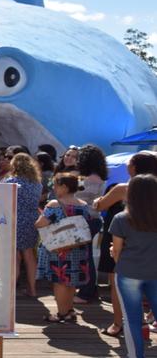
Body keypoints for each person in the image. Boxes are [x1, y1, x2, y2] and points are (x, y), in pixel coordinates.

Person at [93, 152, 157, 337]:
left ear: (134, 167)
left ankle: (119, 323)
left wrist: (97, 201)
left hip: (124, 238)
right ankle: (147, 318)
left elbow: (101, 206)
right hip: (151, 242)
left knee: (118, 282)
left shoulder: (124, 188)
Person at [35, 173, 94, 322]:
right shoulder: (83, 204)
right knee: (72, 281)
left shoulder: (55, 204)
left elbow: (41, 224)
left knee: (60, 281)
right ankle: (69, 310)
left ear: (64, 187)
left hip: (60, 249)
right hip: (78, 248)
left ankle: (62, 313)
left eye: (56, 185)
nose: (53, 188)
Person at [110, 174, 157, 358]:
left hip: (129, 273)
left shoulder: (121, 218)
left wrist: (114, 252)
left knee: (132, 321)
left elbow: (117, 252)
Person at [4, 153, 42, 297]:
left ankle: (11, 291)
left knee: (15, 257)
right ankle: (33, 289)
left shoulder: (11, 182)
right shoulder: (37, 184)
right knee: (30, 255)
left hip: (14, 219)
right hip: (32, 220)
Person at [73, 145, 107, 304]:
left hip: (82, 220)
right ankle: (89, 289)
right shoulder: (101, 178)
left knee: (84, 258)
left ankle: (86, 292)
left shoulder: (82, 179)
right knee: (86, 256)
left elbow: (73, 198)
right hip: (94, 219)